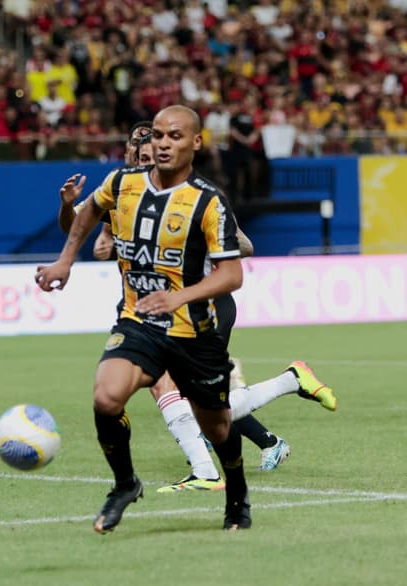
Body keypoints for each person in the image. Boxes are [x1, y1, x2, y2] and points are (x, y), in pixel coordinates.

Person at [59, 126, 335, 483]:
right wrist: (70, 207)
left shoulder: (192, 198)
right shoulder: (125, 195)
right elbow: (77, 225)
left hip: (204, 306)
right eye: (135, 156)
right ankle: (283, 397)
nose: (141, 162)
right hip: (156, 310)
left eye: (146, 157)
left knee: (183, 394)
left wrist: (194, 249)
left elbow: (244, 246)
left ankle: (210, 467)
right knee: (189, 397)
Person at [37, 104, 251, 532]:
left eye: (175, 136)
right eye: (158, 135)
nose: (164, 143)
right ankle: (125, 484)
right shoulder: (122, 183)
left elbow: (233, 273)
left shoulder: (207, 201)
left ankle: (237, 494)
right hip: (138, 320)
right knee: (106, 397)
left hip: (193, 330)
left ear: (195, 143)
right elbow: (89, 212)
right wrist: (65, 261)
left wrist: (179, 297)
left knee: (219, 428)